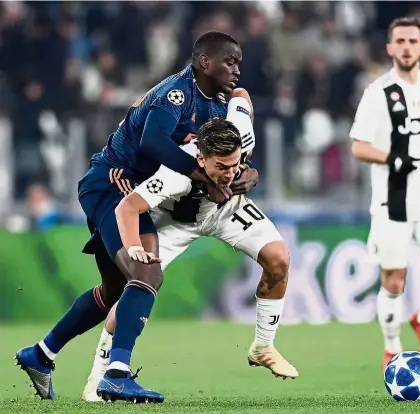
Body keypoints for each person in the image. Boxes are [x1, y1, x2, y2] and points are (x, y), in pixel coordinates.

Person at [15, 31, 258, 403]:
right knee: (146, 270)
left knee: (114, 289)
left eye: (239, 62)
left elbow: (223, 153)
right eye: (230, 61)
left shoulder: (216, 103)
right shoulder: (176, 93)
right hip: (113, 183)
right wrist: (201, 175)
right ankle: (116, 374)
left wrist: (246, 172)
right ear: (204, 62)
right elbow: (152, 141)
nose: (237, 69)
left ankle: (42, 354)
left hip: (136, 190)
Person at [83, 96, 298, 403]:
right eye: (220, 167)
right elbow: (128, 207)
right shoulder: (174, 174)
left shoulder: (239, 133)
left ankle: (263, 346)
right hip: (175, 222)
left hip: (225, 210)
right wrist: (134, 249)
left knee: (279, 259)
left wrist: (249, 171)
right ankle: (100, 374)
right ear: (200, 159)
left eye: (234, 165)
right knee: (139, 286)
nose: (229, 173)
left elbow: (241, 96)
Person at [349, 17, 420, 371]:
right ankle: (391, 346)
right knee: (394, 281)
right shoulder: (377, 93)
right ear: (389, 48)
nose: (406, 46)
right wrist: (391, 158)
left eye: (412, 40)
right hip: (391, 205)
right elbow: (358, 146)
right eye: (399, 40)